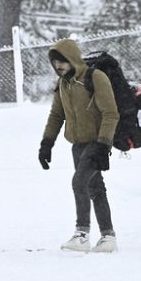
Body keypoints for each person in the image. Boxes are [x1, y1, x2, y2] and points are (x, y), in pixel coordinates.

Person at [39, 39, 120, 253]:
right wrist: (46, 143)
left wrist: (103, 144)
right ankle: (108, 237)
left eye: (63, 61)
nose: (59, 66)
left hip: (96, 142)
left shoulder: (95, 77)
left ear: (73, 58)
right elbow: (56, 115)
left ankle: (82, 234)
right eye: (55, 62)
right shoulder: (63, 84)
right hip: (77, 144)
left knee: (79, 183)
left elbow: (111, 113)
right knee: (95, 189)